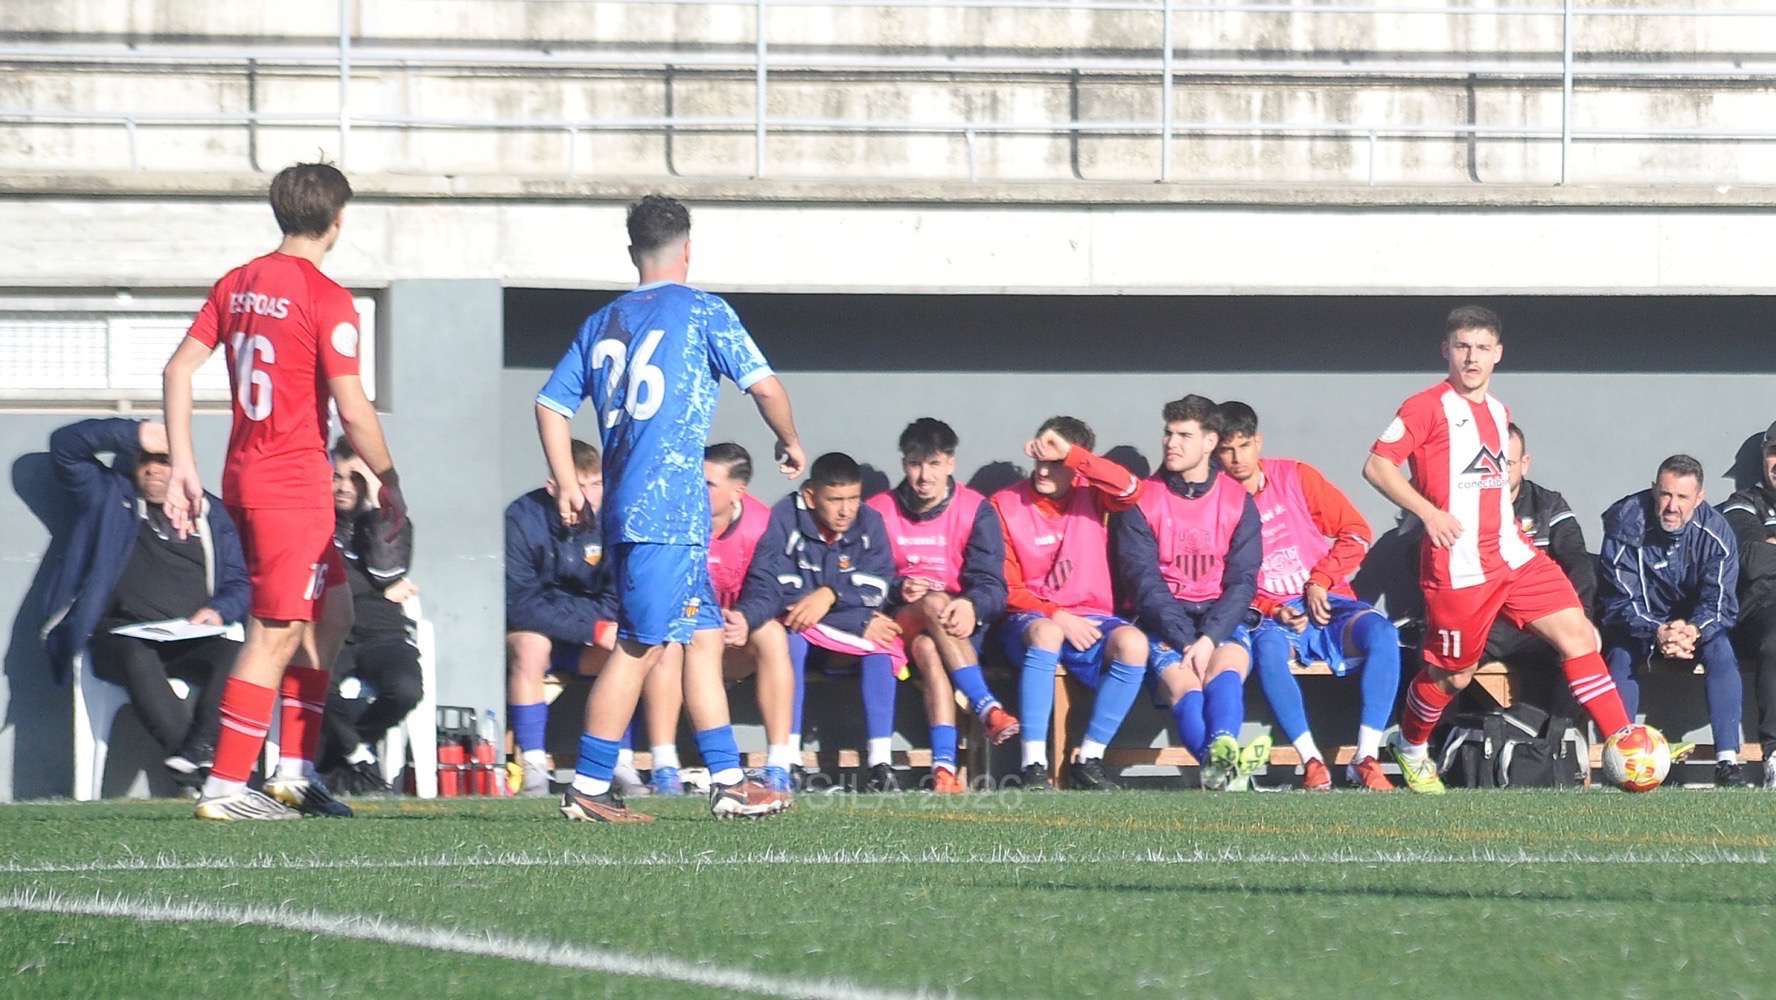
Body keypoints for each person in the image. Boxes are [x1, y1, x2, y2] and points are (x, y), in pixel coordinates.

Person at [534, 194, 805, 822]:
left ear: (633, 252)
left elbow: (550, 404)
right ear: (688, 249)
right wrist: (790, 439)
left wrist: (568, 482)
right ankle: (589, 787)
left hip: (639, 510)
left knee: (703, 639)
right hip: (666, 513)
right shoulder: (704, 310)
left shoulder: (602, 320)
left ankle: (730, 780)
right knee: (639, 646)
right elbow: (765, 386)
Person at [163, 161, 407, 821]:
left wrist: (183, 463)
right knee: (275, 630)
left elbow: (178, 369)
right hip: (290, 484)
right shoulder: (326, 297)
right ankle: (224, 786)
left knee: (333, 614)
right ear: (338, 221)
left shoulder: (238, 282)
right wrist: (389, 479)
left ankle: (295, 773)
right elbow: (353, 409)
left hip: (249, 474)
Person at [1363, 304, 1631, 795]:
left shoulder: (1498, 412)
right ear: (1446, 351)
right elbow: (1377, 466)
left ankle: (1627, 746)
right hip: (1459, 567)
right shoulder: (1424, 407)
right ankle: (1412, 745)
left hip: (1513, 555)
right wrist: (1428, 513)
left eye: (1482, 348)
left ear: (1498, 354)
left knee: (1580, 636)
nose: (1472, 358)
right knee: (1454, 677)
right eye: (1463, 347)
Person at [42, 417, 250, 792]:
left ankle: (199, 749)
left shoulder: (210, 514)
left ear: (183, 465)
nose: (153, 469)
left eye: (164, 460)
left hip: (185, 636)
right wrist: (134, 433)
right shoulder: (108, 497)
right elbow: (65, 446)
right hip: (117, 637)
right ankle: (203, 772)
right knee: (135, 653)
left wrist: (219, 610)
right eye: (144, 458)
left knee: (240, 654)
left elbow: (239, 581)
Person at [1213, 401, 1398, 792]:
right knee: (1267, 650)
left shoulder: (1296, 476)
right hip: (1271, 616)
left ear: (1258, 442)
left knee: (1383, 633)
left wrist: (1321, 581)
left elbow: (1356, 532)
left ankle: (1366, 758)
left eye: (1243, 446)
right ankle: (1311, 761)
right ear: (1215, 452)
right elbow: (1220, 581)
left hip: (1328, 602)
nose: (1237, 458)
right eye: (1227, 450)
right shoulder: (1213, 503)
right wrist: (1273, 609)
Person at [505, 439, 684, 798]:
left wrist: (598, 629)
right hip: (540, 630)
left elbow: (619, 595)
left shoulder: (618, 519)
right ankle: (534, 767)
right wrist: (590, 627)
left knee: (631, 648)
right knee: (530, 646)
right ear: (553, 486)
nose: (589, 495)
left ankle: (621, 761)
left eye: (596, 484)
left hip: (591, 638)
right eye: (579, 485)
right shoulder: (522, 517)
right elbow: (520, 602)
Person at [1112, 396, 1268, 792]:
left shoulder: (1238, 501)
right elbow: (1143, 583)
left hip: (1219, 618)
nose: (1171, 443)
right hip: (1164, 620)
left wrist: (1210, 637)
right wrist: (1187, 641)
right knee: (1185, 684)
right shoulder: (1141, 500)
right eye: (1168, 433)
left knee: (1227, 668)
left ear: (1210, 441)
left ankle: (1220, 763)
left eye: (1184, 435)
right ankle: (1227, 768)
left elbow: (1243, 581)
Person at [992, 416, 1147, 791]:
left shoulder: (1091, 494)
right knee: (1046, 633)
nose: (1044, 470)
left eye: (1056, 462)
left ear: (1076, 463)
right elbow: (1005, 587)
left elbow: (1131, 489)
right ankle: (1033, 766)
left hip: (1090, 619)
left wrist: (1073, 455)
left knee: (1134, 644)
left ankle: (1089, 759)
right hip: (1030, 619)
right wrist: (1056, 615)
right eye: (1040, 460)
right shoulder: (1003, 504)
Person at [866, 419, 1020, 793]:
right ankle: (986, 706)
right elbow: (862, 579)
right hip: (894, 626)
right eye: (915, 464)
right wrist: (898, 588)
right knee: (933, 604)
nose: (924, 476)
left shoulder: (975, 508)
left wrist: (971, 605)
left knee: (929, 648)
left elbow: (993, 585)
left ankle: (944, 770)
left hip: (955, 629)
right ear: (904, 464)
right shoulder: (878, 510)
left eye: (934, 464)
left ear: (951, 463)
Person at [745, 453, 906, 791]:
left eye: (853, 498)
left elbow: (877, 588)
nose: (846, 510)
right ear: (810, 496)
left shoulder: (870, 522)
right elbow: (783, 593)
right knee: (791, 640)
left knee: (883, 644)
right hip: (802, 630)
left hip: (843, 633)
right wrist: (854, 615)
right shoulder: (784, 518)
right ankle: (788, 758)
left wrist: (830, 595)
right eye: (835, 500)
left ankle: (881, 764)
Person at [1599, 454, 1745, 787]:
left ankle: (1727, 762)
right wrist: (1657, 631)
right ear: (1654, 490)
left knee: (1722, 651)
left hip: (1694, 626)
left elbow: (1720, 602)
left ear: (1699, 498)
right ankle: (1620, 759)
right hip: (1640, 623)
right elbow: (1620, 600)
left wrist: (1692, 630)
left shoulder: (1717, 533)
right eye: (1665, 494)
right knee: (1620, 657)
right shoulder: (1625, 525)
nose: (1672, 506)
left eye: (1682, 497)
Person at [318, 441, 422, 794]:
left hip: (382, 632)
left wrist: (379, 504)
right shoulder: (315, 522)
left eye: (356, 478)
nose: (344, 486)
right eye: (336, 476)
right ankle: (361, 758)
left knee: (406, 690)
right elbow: (322, 576)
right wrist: (374, 590)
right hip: (330, 632)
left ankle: (346, 752)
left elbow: (384, 569)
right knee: (311, 684)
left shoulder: (390, 524)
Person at [705, 443, 803, 792]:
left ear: (738, 491)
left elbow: (768, 588)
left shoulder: (762, 523)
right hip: (688, 634)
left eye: (709, 484)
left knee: (773, 634)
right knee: (663, 647)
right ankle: (665, 766)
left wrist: (745, 619)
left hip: (734, 635)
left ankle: (778, 763)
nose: (697, 491)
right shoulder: (675, 519)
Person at [1483, 422, 1598, 668]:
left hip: (1536, 624)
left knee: (1574, 650)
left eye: (1508, 464)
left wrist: (1580, 618)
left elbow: (1577, 562)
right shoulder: (1466, 508)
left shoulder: (1548, 505)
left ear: (1524, 463)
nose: (1500, 472)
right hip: (1486, 624)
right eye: (1493, 464)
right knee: (1439, 661)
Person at [1720, 422, 1776, 789]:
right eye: (1773, 452)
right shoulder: (1744, 502)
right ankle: (1775, 753)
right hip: (1763, 607)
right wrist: (1762, 547)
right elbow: (1752, 559)